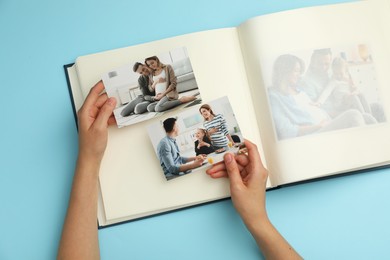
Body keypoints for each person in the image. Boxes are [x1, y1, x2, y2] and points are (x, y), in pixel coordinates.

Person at [57, 81, 302, 259]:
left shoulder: (176, 140)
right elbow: (175, 165)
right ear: (174, 128)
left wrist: (88, 160)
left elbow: (186, 154)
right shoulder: (169, 141)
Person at [268, 54, 376, 140]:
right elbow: (286, 131)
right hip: (316, 131)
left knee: (367, 117)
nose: (299, 74)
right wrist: (318, 126)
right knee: (354, 115)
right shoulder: (275, 97)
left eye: (299, 71)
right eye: (296, 71)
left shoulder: (299, 90)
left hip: (328, 122)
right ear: (284, 71)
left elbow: (317, 108)